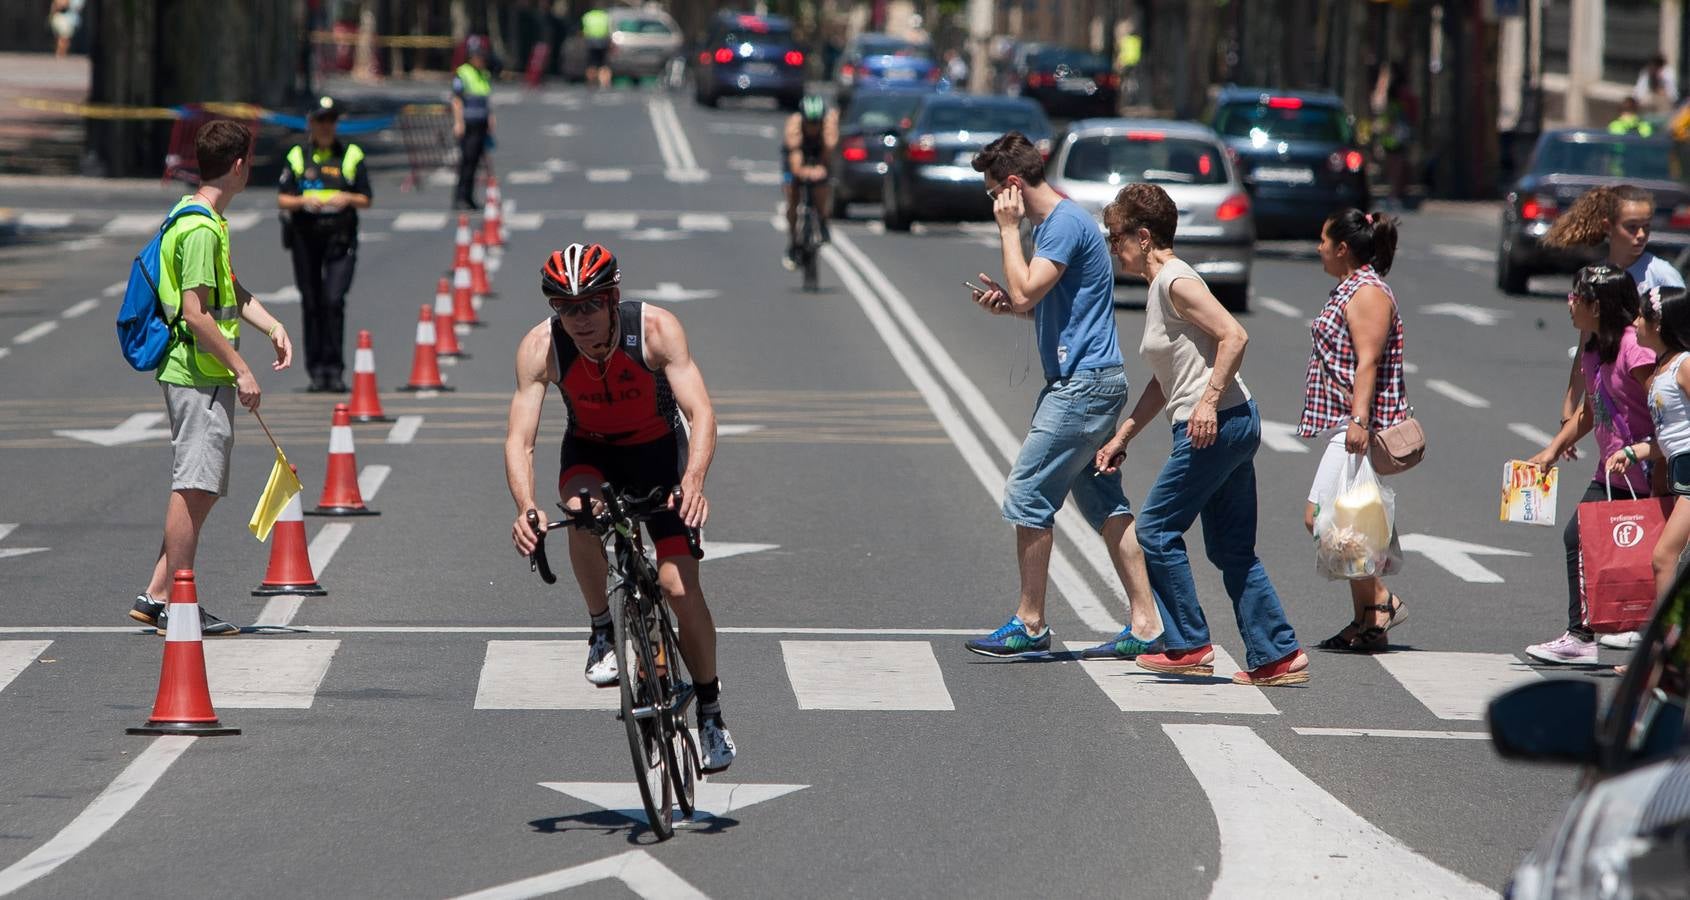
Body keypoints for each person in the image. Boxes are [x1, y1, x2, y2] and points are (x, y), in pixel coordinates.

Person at [504, 243, 735, 773]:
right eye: (566, 308)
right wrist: (526, 507)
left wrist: (694, 481)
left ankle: (711, 711)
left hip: (659, 455)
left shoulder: (655, 330)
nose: (578, 319)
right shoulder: (541, 348)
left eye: (589, 306)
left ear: (613, 300)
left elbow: (700, 412)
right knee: (580, 513)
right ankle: (602, 629)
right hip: (591, 451)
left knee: (678, 587)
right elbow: (521, 439)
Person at [1093, 183, 1307, 685]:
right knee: (1231, 550)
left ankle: (1187, 643)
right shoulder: (1161, 286)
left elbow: (1235, 334)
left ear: (1143, 237)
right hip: (1229, 421)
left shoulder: (1174, 282)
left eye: (1115, 236)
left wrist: (1208, 401)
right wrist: (1124, 434)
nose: (1111, 246)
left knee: (1155, 529)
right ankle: (1278, 655)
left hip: (1216, 424)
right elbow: (1166, 379)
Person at [962, 132, 1165, 661]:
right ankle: (1147, 623)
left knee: (1027, 494)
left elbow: (1030, 287)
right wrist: (1009, 307)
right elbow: (1045, 302)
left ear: (1011, 186)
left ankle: (1030, 622)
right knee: (1103, 502)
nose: (994, 207)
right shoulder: (1064, 225)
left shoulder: (1061, 225)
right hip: (1092, 382)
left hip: (1083, 386)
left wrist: (1008, 233)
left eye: (993, 196)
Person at [128, 121, 294, 635]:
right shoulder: (200, 228)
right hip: (197, 372)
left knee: (200, 484)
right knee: (194, 484)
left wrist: (271, 325)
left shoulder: (200, 216)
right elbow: (197, 314)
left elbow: (231, 290)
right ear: (239, 164)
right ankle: (176, 600)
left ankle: (157, 595)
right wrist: (243, 370)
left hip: (201, 372)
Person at [1524, 264, 1655, 665]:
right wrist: (1550, 450)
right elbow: (1589, 411)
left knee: (1655, 559)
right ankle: (1582, 635)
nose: (1569, 304)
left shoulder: (1636, 349)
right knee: (1577, 537)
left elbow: (1667, 405)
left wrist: (1647, 451)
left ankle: (1647, 642)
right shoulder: (1594, 349)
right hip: (1613, 472)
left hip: (1654, 477)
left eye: (1576, 297)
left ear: (1597, 306)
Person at [1298, 210, 1411, 653]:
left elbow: (1369, 360)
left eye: (1323, 241)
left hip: (1358, 423)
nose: (1319, 248)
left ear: (1342, 247)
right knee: (1352, 520)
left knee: (1323, 518)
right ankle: (1369, 621)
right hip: (1347, 420)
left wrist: (1360, 420)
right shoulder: (1352, 288)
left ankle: (1380, 600)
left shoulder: (1367, 293)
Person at [277, 96, 371, 394]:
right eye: (321, 120)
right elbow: (283, 198)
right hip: (306, 237)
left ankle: (335, 369)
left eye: (331, 120)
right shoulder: (297, 155)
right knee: (312, 301)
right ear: (311, 123)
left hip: (340, 237)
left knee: (333, 300)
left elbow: (366, 198)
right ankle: (316, 371)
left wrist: (347, 199)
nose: (326, 126)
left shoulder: (351, 154)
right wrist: (305, 200)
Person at [1607, 286, 1690, 599]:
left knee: (1664, 557)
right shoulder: (1662, 368)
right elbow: (1673, 433)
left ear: (1658, 324)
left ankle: (1664, 640)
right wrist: (1636, 450)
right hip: (1679, 472)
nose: (1635, 322)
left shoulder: (1684, 364)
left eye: (1641, 316)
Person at [780, 95, 838, 271]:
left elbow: (827, 153)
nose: (813, 127)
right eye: (809, 122)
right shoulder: (794, 127)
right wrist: (802, 172)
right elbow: (795, 160)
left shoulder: (828, 128)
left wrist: (820, 171)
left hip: (818, 155)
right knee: (792, 195)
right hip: (796, 155)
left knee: (822, 188)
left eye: (816, 123)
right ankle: (792, 242)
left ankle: (822, 220)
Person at [451, 35, 495, 211]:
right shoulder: (462, 73)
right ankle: (460, 197)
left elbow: (486, 98)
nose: (481, 59)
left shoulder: (484, 74)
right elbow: (456, 100)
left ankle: (469, 198)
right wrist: (458, 122)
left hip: (481, 122)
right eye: (478, 56)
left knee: (476, 163)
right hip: (468, 123)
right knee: (466, 162)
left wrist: (491, 118)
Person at [1635, 54, 1679, 118]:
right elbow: (1640, 89)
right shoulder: (1646, 72)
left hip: (1664, 101)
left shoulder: (1668, 72)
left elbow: (1672, 90)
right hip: (1649, 99)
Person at [581, 6, 611, 88]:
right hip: (603, 42)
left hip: (591, 43)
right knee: (603, 64)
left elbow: (585, 31)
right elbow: (608, 30)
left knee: (591, 64)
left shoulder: (587, 16)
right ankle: (605, 83)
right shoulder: (605, 16)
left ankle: (591, 82)